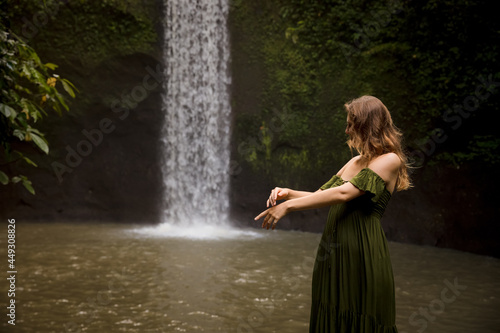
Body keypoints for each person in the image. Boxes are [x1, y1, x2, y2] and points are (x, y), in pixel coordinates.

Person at [254, 95, 411, 332]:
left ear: (367, 125)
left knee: (360, 313)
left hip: (362, 251)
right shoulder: (355, 161)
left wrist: (287, 207)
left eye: (351, 124)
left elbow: (344, 194)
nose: (347, 131)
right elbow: (321, 194)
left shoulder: (390, 160)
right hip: (332, 251)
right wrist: (288, 193)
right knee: (331, 314)